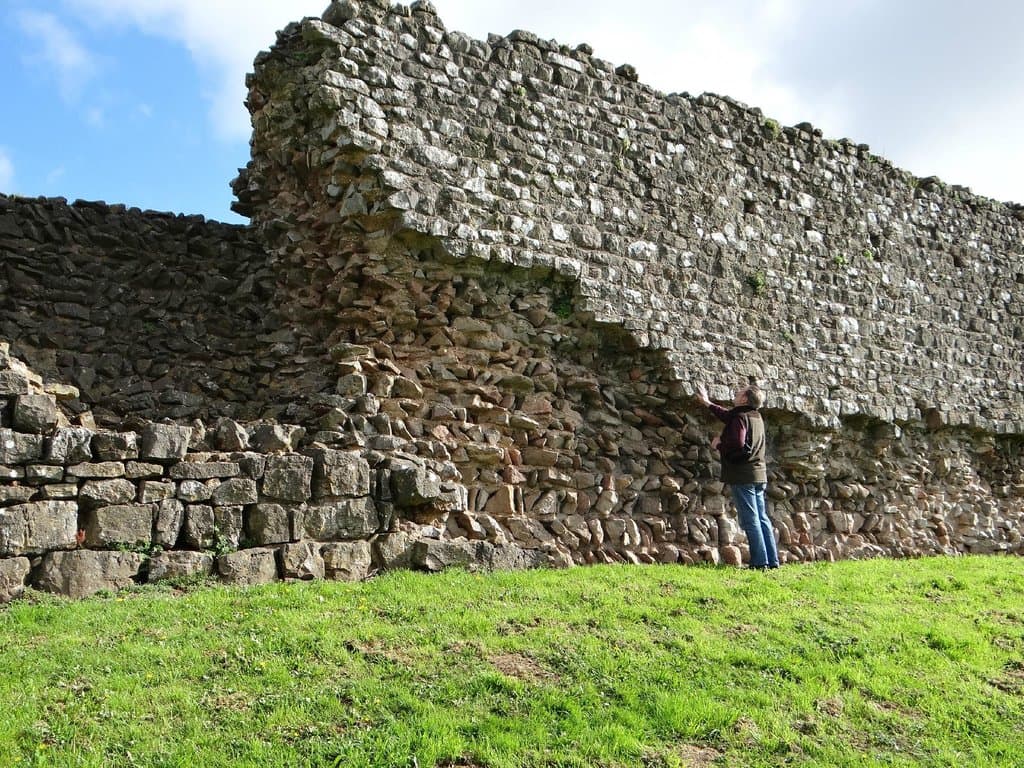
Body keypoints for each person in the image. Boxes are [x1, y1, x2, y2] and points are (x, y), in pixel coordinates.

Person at [695, 382, 780, 570]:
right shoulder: (755, 416)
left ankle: (759, 563)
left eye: (739, 392)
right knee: (762, 518)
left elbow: (738, 444)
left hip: (744, 475)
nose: (735, 393)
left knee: (751, 520)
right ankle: (772, 560)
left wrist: (718, 445)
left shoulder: (740, 417)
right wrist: (707, 403)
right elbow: (728, 416)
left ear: (744, 399)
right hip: (759, 475)